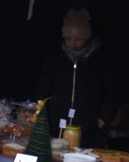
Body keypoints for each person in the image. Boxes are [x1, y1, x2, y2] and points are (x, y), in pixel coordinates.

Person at [35, 8, 121, 148]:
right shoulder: (55, 61)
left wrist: (102, 119)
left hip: (89, 131)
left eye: (78, 39)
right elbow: (42, 92)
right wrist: (42, 116)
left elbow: (113, 94)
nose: (72, 43)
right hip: (56, 129)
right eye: (68, 39)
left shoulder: (101, 62)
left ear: (87, 37)